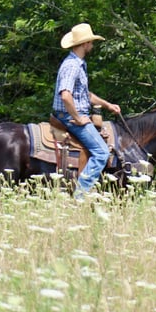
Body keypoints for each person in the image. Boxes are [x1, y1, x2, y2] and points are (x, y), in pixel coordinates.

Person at [52, 23, 121, 199]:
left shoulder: (79, 63)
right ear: (84, 44)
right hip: (68, 116)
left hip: (75, 112)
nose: (92, 45)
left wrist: (107, 105)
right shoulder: (72, 66)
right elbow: (66, 95)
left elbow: (85, 95)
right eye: (91, 42)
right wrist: (78, 118)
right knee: (102, 153)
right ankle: (80, 196)